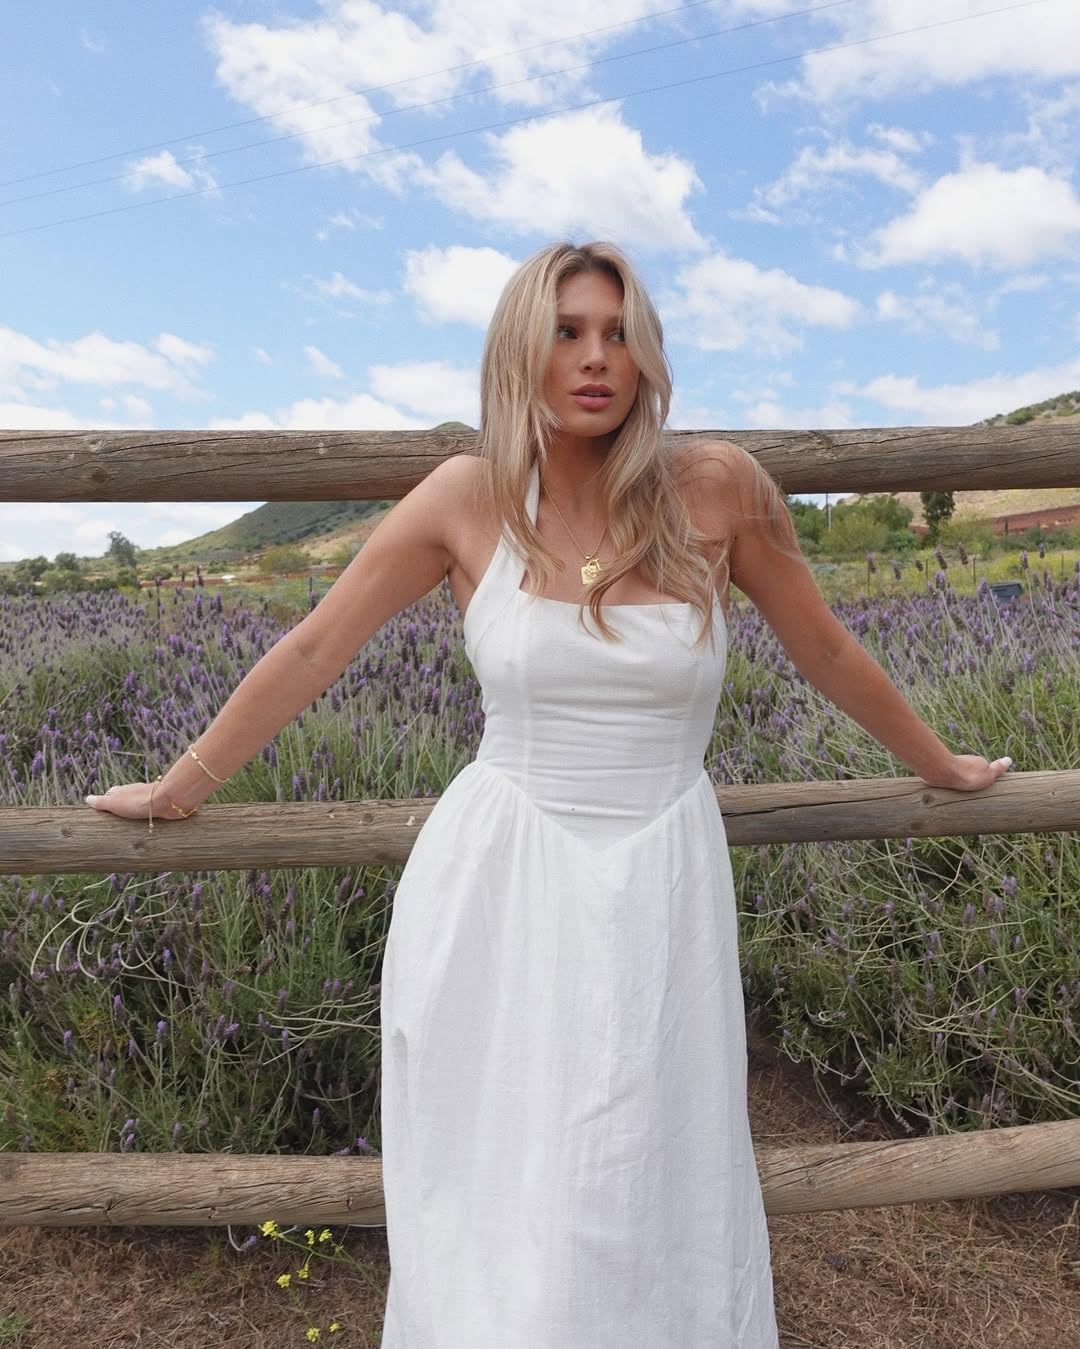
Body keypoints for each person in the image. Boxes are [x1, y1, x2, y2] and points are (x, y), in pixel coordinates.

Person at [86, 239, 1013, 1346]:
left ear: (647, 355)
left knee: (650, 1171)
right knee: (510, 1186)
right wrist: (180, 785)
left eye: (618, 334)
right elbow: (316, 645)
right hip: (504, 882)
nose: (596, 357)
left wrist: (941, 764)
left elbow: (826, 647)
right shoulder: (466, 496)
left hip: (663, 876)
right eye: (567, 332)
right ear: (520, 351)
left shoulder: (718, 489)